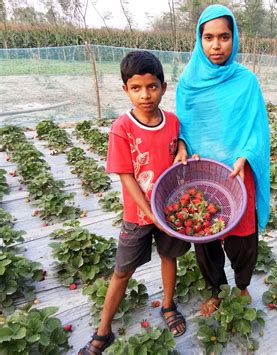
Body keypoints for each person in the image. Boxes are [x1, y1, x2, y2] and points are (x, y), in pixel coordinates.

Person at [79, 51, 191, 355]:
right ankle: (103, 330)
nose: (145, 95)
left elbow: (177, 141)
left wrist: (181, 146)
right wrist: (148, 212)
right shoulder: (122, 128)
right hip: (138, 214)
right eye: (137, 88)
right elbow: (126, 177)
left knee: (170, 257)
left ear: (164, 87)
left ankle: (168, 305)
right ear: (125, 89)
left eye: (152, 87)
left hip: (169, 210)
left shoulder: (172, 121)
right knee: (122, 271)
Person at [174, 4, 270, 316]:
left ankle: (242, 285)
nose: (216, 45)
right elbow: (184, 126)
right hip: (202, 173)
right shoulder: (188, 83)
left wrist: (244, 156)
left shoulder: (246, 81)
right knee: (206, 237)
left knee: (242, 238)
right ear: (199, 40)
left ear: (234, 38)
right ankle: (216, 289)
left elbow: (257, 129)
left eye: (224, 37)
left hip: (237, 171)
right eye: (209, 37)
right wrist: (185, 146)